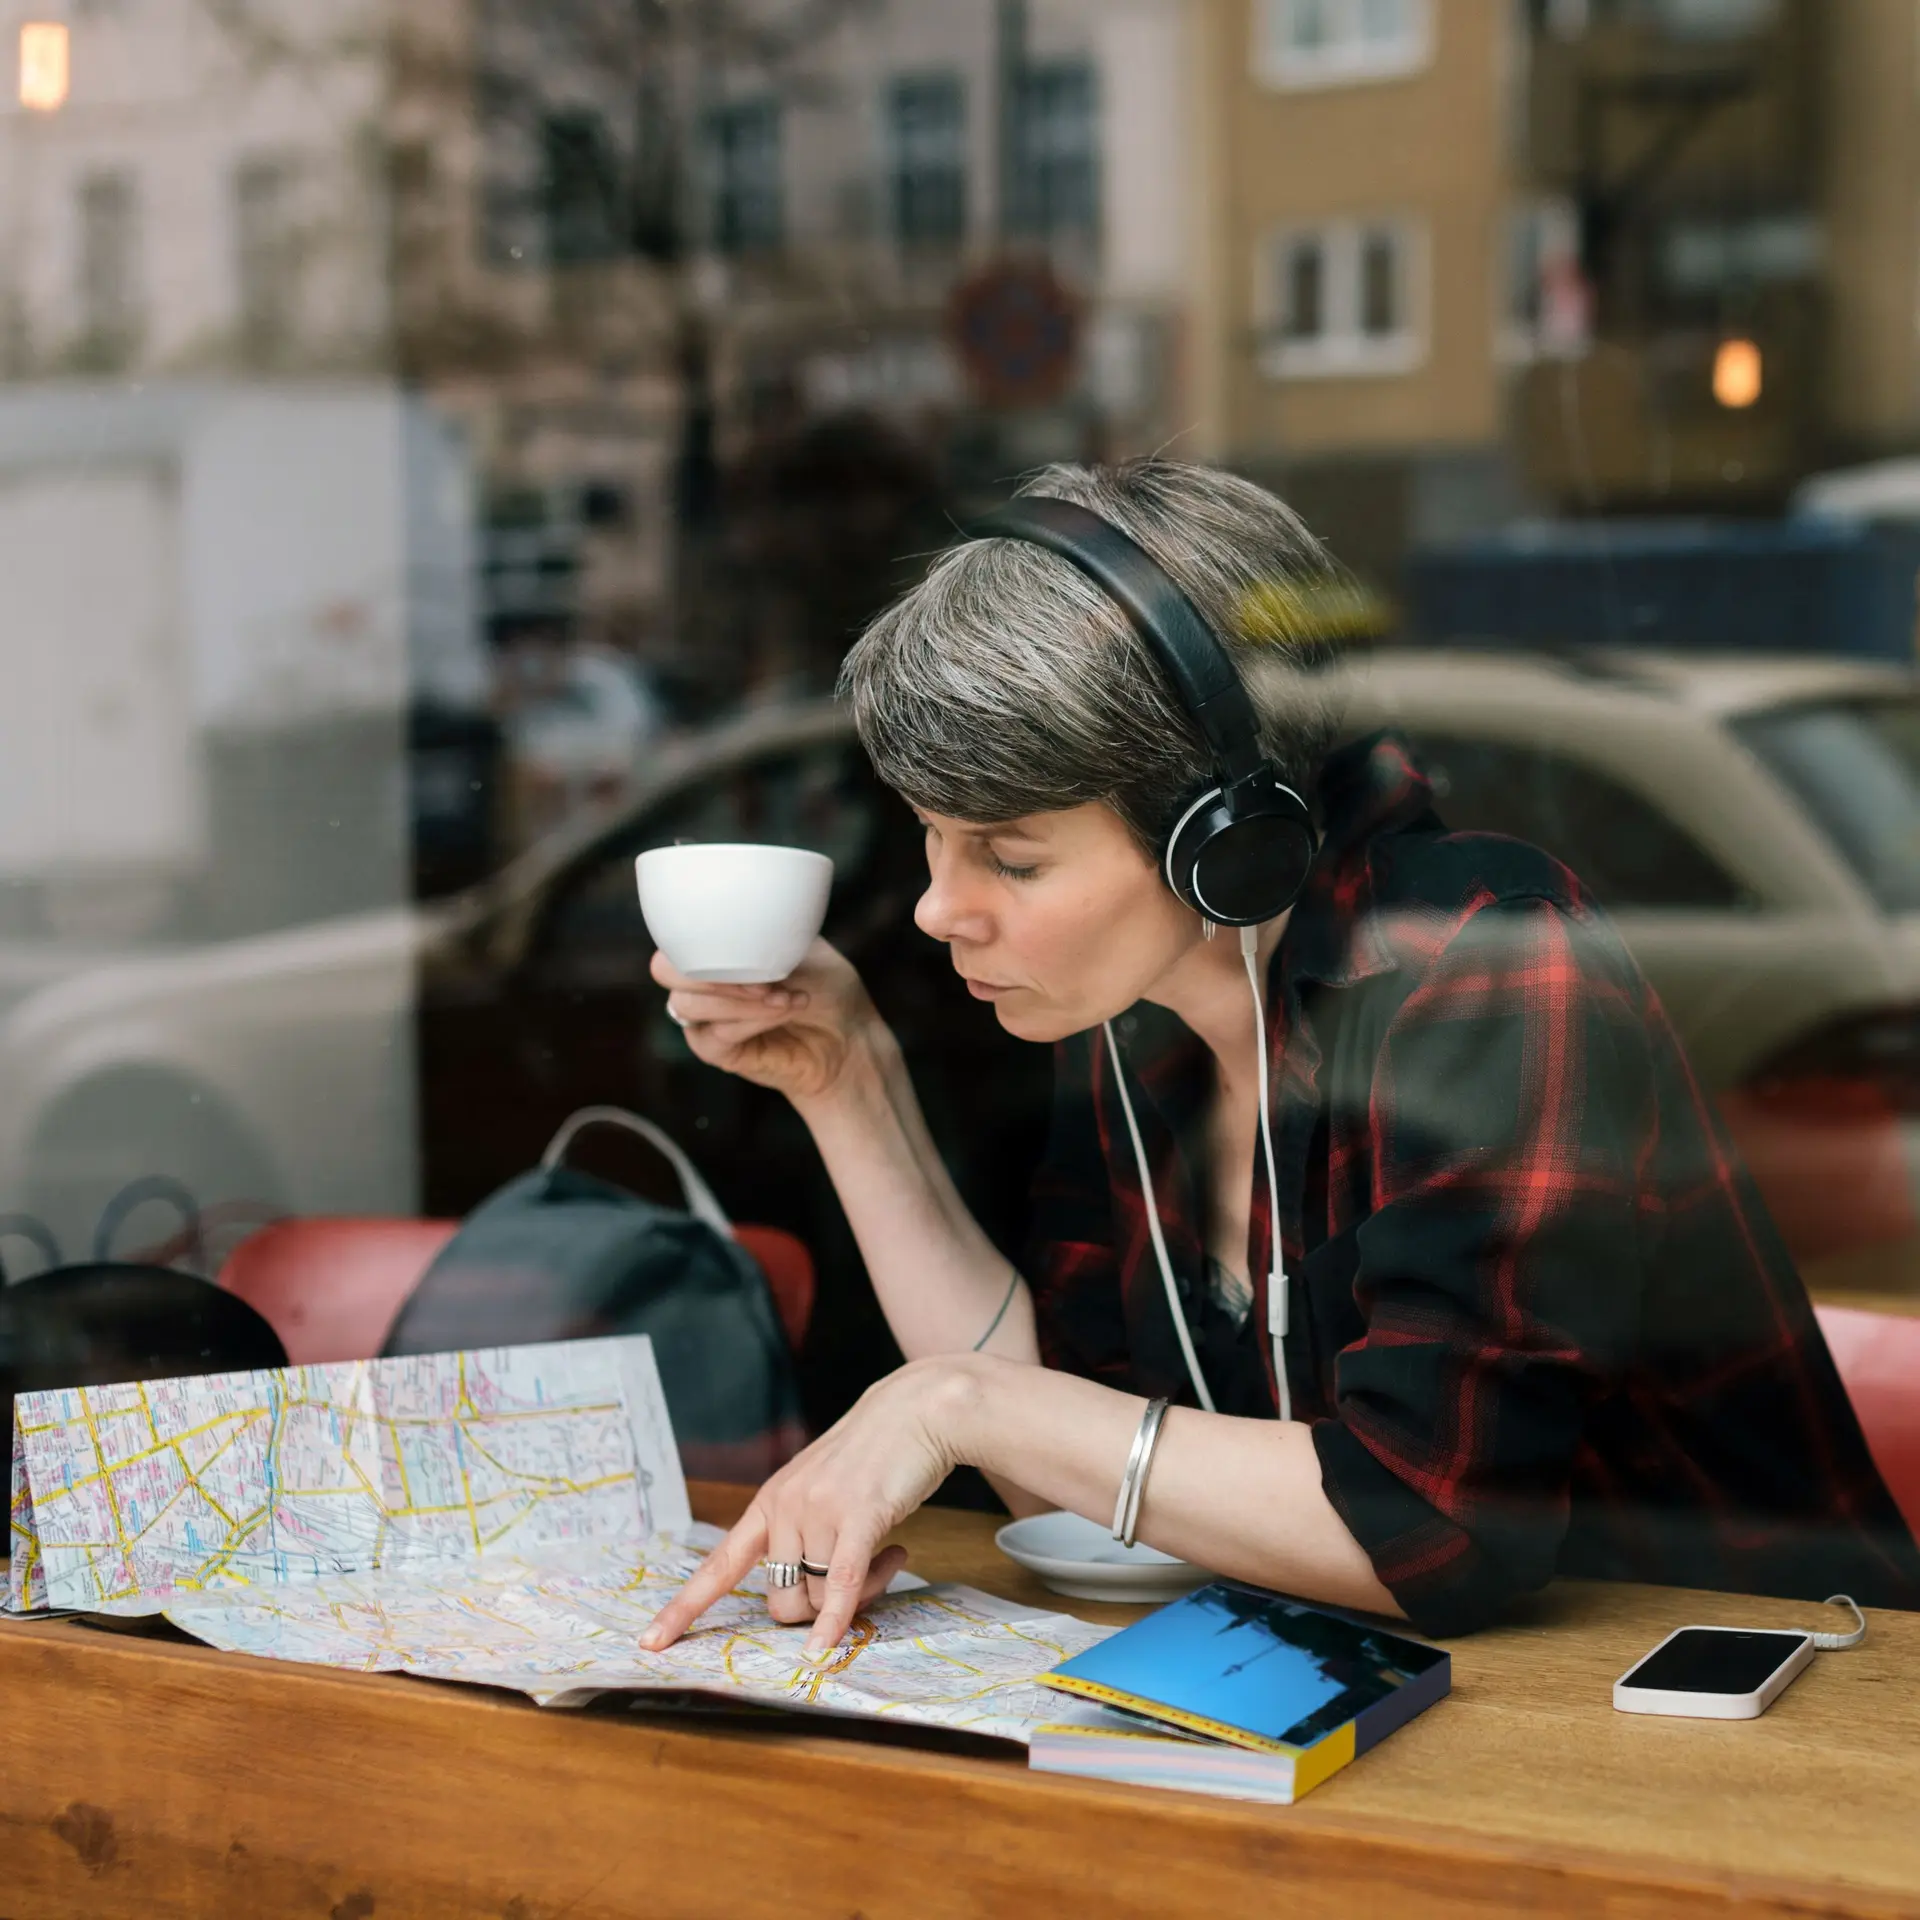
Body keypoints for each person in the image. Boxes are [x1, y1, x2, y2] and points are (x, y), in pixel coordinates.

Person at [641, 459, 1920, 1665]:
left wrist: (956, 1403)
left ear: (1226, 836)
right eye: (932, 838)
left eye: (1012, 858)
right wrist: (848, 1084)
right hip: (1429, 1715)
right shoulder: (1136, 1023)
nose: (938, 909)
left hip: (1764, 1717)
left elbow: (1436, 1523)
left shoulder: (1482, 962)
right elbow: (1073, 1484)